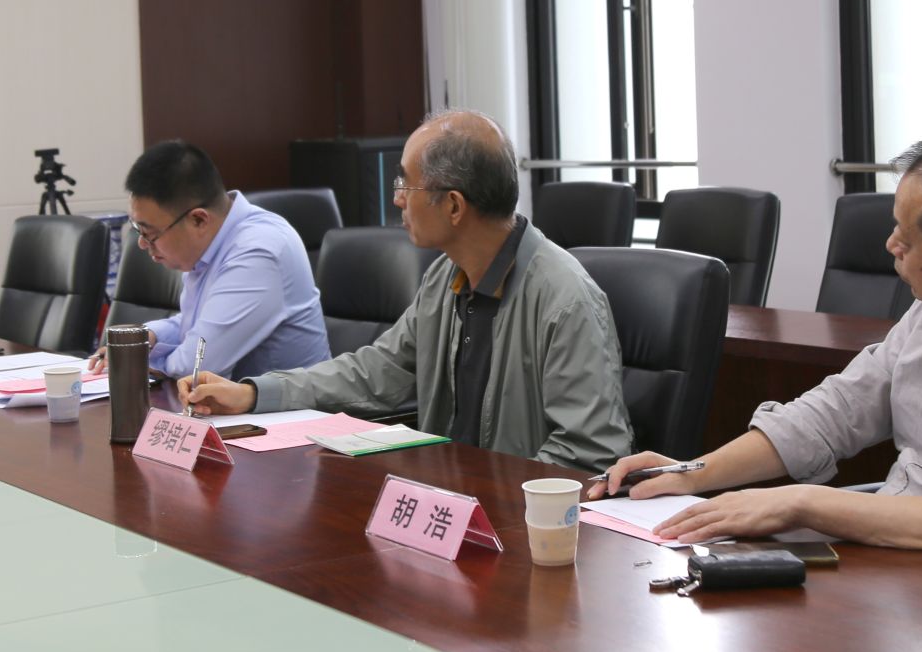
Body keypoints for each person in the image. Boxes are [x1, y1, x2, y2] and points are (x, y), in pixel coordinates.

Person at [593, 126, 922, 574]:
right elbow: (832, 413)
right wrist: (691, 472)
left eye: (906, 238)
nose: (890, 246)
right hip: (903, 573)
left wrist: (800, 502)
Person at [177, 109, 632, 472]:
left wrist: (500, 504)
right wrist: (254, 394)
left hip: (521, 527)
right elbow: (374, 371)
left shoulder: (564, 299)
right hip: (453, 507)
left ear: (453, 206)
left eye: (405, 184)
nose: (397, 198)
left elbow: (588, 454)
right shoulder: (445, 277)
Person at [89, 141, 327, 382]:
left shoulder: (258, 252)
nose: (142, 243)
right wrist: (147, 337)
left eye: (150, 233)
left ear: (199, 220)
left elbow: (195, 367)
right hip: (236, 401)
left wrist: (133, 360)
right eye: (137, 229)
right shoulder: (211, 241)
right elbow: (199, 325)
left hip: (292, 405)